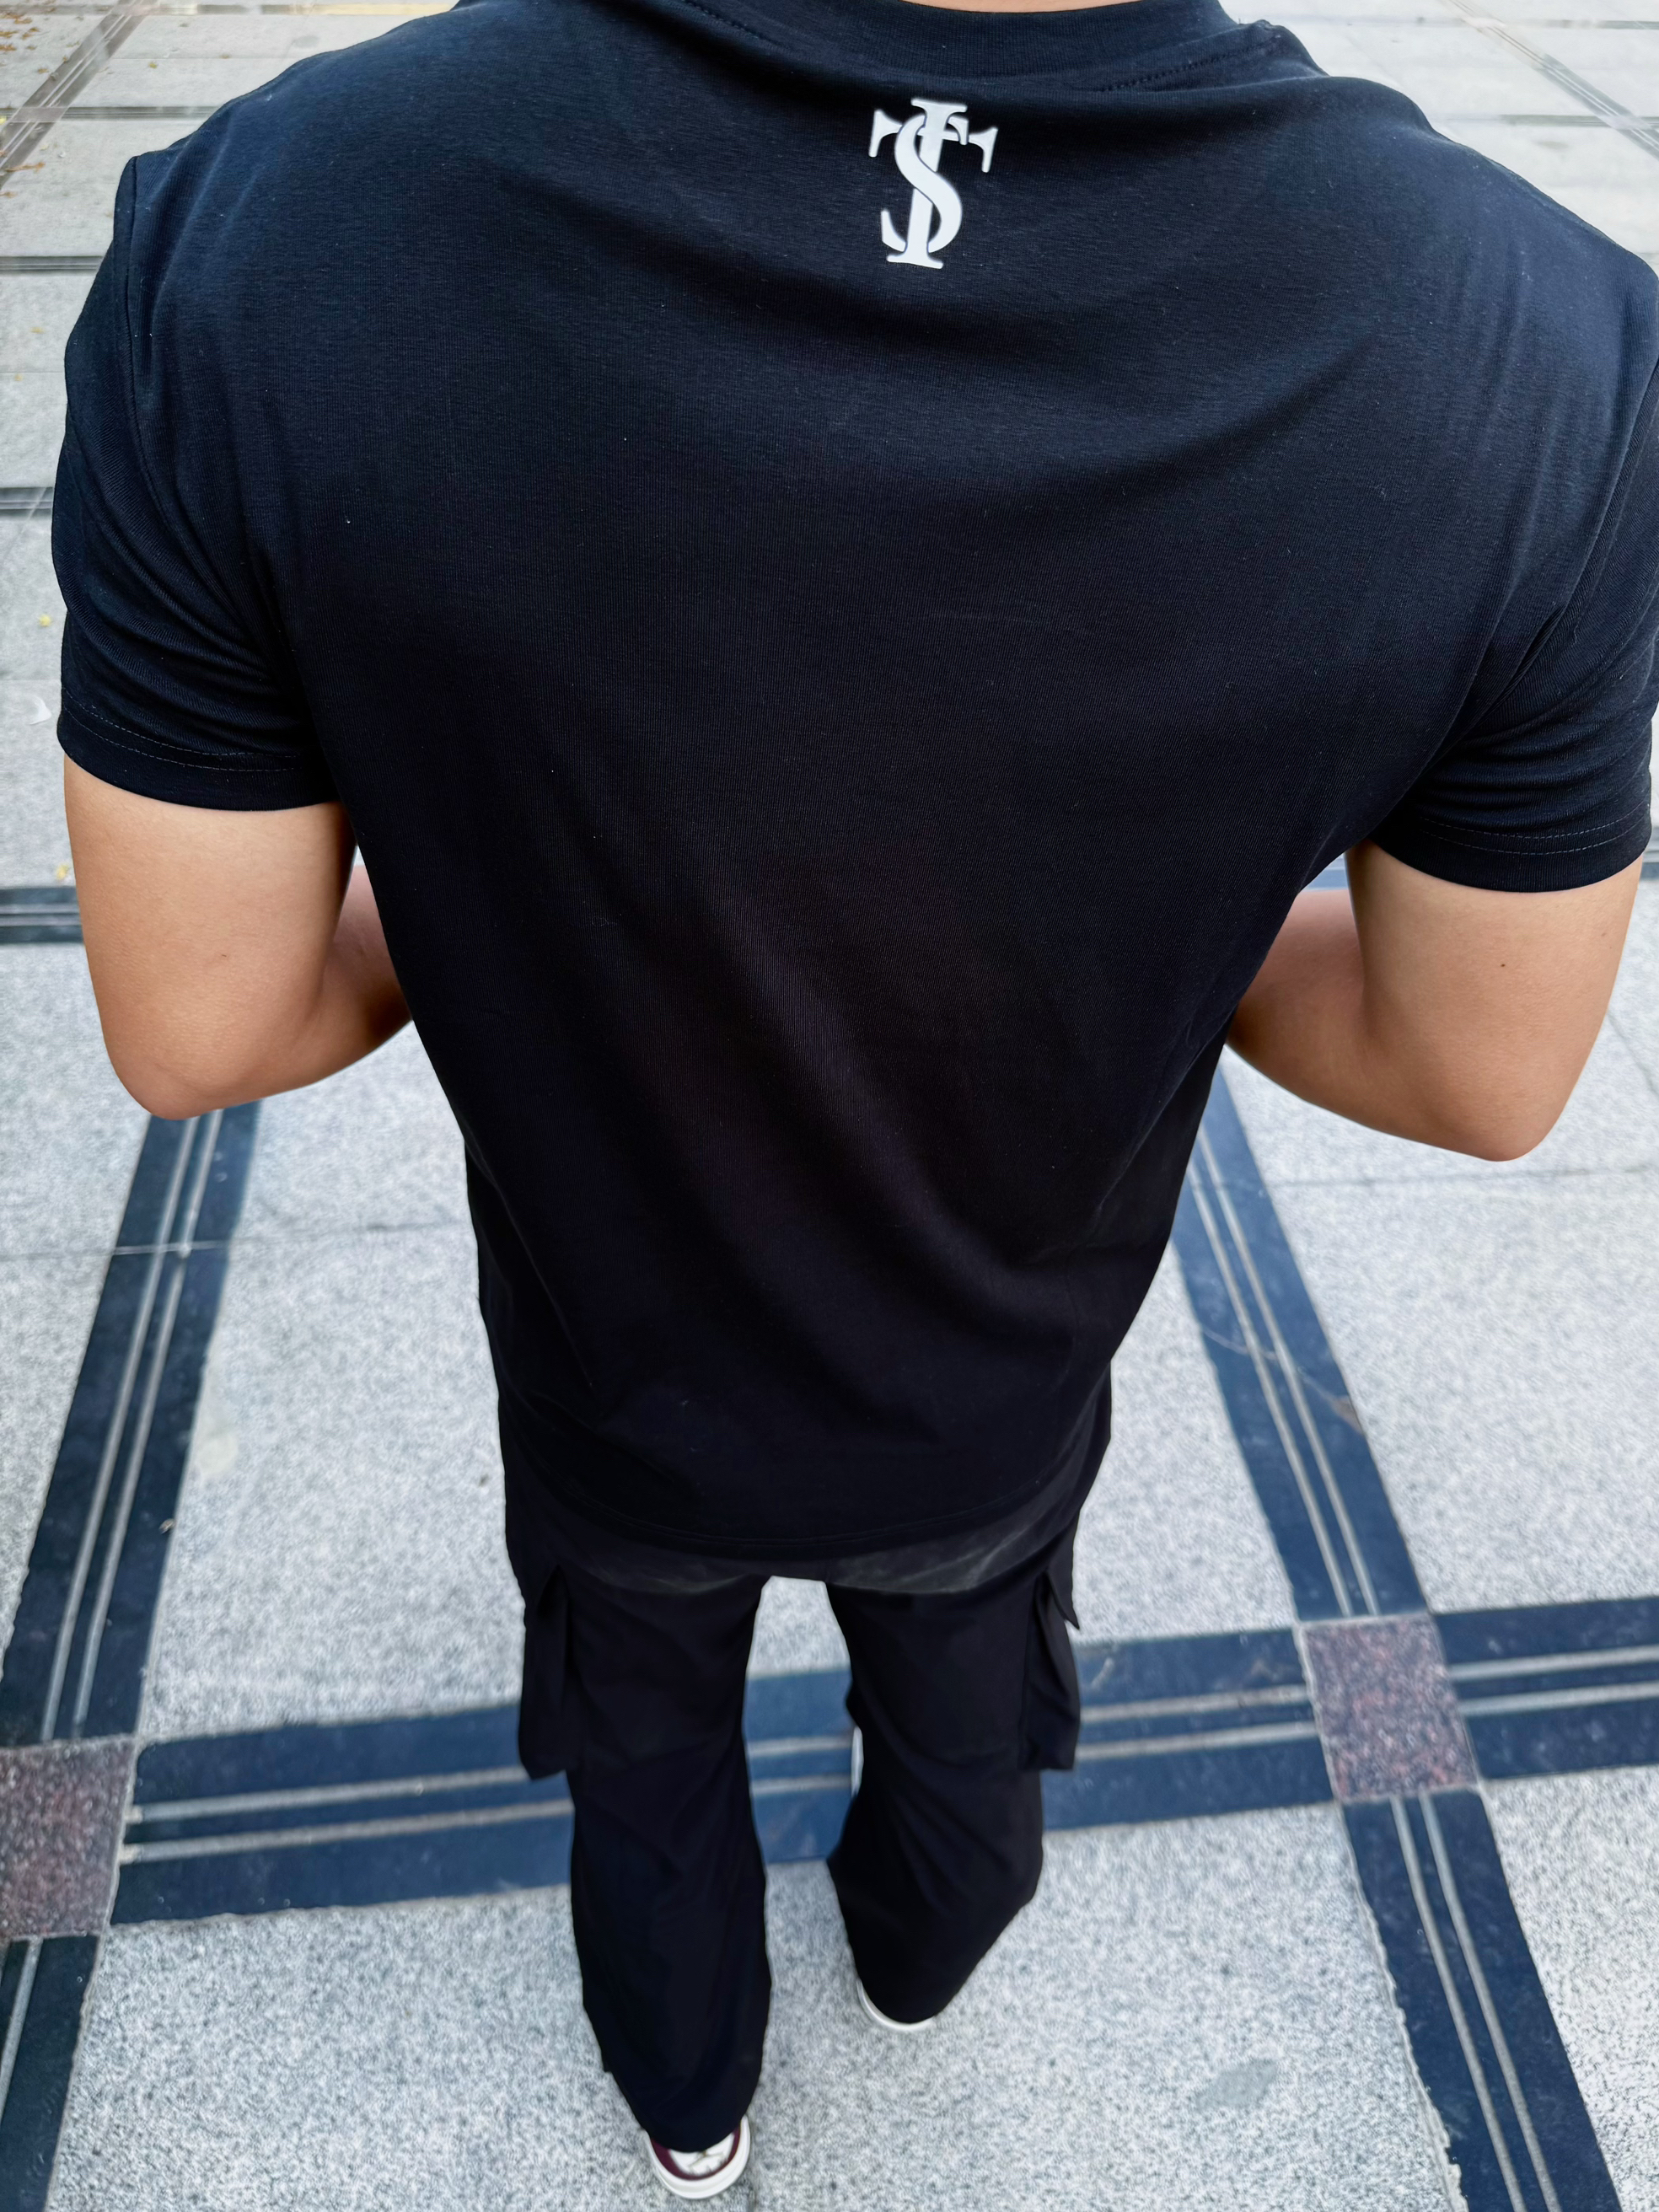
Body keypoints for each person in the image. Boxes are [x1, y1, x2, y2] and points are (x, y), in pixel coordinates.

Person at [52, 0, 1653, 2186]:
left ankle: (693, 2105)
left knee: (643, 1768)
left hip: (617, 1382)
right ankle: (911, 1959)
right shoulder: (1538, 353)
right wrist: (1144, 911)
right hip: (991, 1391)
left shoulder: (274, 234)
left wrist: (509, 884)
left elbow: (201, 1025)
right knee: (967, 1746)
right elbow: (1474, 1062)